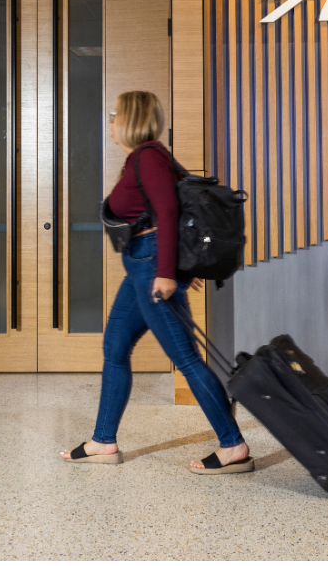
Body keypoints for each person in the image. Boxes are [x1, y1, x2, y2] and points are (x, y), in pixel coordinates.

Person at [60, 90, 253, 475]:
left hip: (149, 267)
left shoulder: (148, 156)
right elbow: (169, 213)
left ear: (130, 118)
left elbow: (167, 211)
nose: (110, 122)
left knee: (184, 358)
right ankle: (103, 439)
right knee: (115, 346)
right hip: (141, 266)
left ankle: (233, 445)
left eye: (114, 115)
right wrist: (175, 267)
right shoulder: (144, 158)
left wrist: (167, 272)